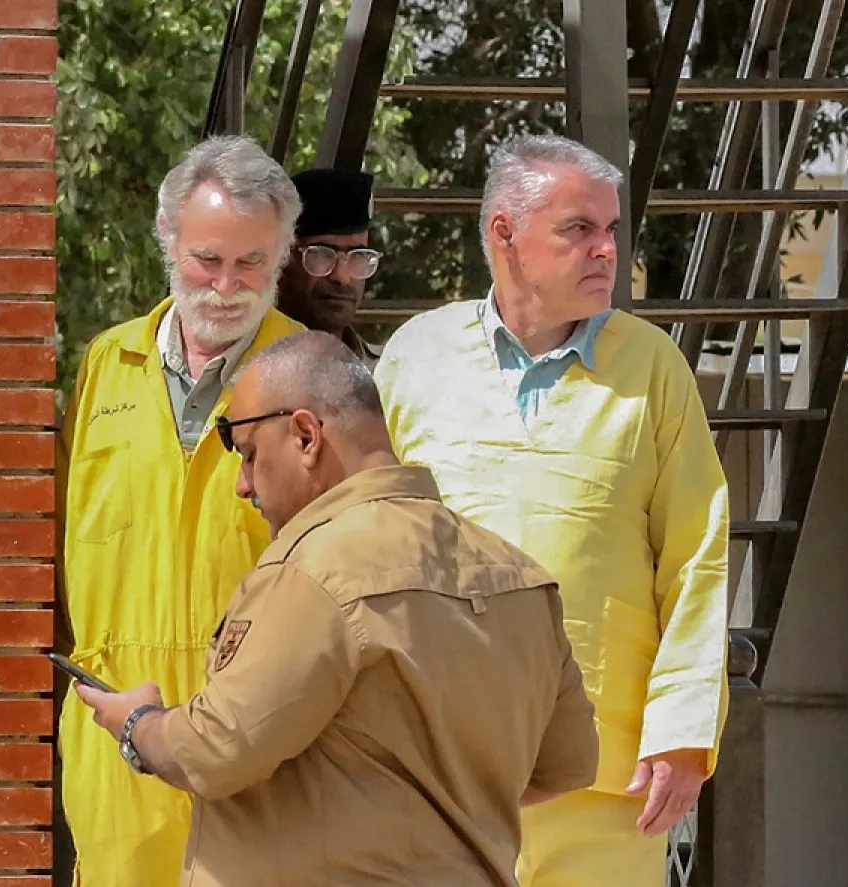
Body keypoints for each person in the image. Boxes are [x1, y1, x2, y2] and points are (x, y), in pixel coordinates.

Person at [73, 331, 599, 887]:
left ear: (305, 435)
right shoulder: (519, 577)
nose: (242, 485)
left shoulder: (313, 569)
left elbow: (215, 750)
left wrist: (138, 723)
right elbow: (568, 764)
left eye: (250, 455)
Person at [373, 133, 731, 887]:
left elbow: (698, 559)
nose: (607, 250)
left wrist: (684, 734)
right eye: (579, 229)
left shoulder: (653, 367)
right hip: (441, 766)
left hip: (606, 776)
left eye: (611, 230)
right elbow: (363, 543)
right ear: (505, 233)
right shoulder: (415, 357)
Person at [55, 135, 304, 886]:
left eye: (251, 263)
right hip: (112, 742)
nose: (227, 285)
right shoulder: (106, 363)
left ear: (282, 258)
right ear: (168, 241)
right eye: (208, 259)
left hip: (256, 744)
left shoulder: (311, 374)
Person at [277, 168, 382, 365]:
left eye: (358, 256)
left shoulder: (384, 373)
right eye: (322, 254)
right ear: (283, 259)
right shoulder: (241, 370)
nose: (342, 277)